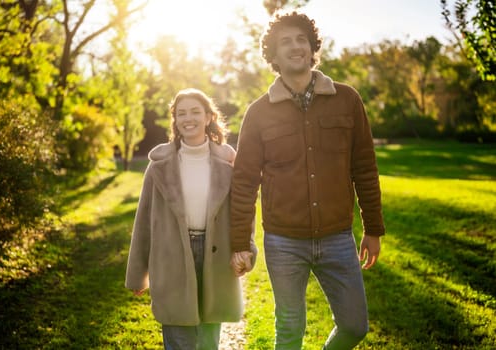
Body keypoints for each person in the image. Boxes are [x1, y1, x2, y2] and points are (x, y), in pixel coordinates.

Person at [229, 11, 385, 350]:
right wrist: (239, 242)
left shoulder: (347, 99)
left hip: (339, 238)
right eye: (286, 41)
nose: (295, 46)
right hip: (284, 242)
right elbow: (243, 182)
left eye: (302, 39)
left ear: (313, 47)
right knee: (289, 330)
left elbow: (365, 168)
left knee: (355, 326)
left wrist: (373, 228)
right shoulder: (258, 113)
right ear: (273, 54)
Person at [126, 88, 256, 350]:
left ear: (208, 117)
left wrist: (245, 248)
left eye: (195, 112)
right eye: (181, 113)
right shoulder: (159, 165)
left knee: (208, 339)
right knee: (178, 337)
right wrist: (138, 273)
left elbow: (243, 211)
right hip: (171, 256)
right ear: (175, 120)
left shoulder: (228, 161)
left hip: (215, 255)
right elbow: (144, 220)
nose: (188, 118)